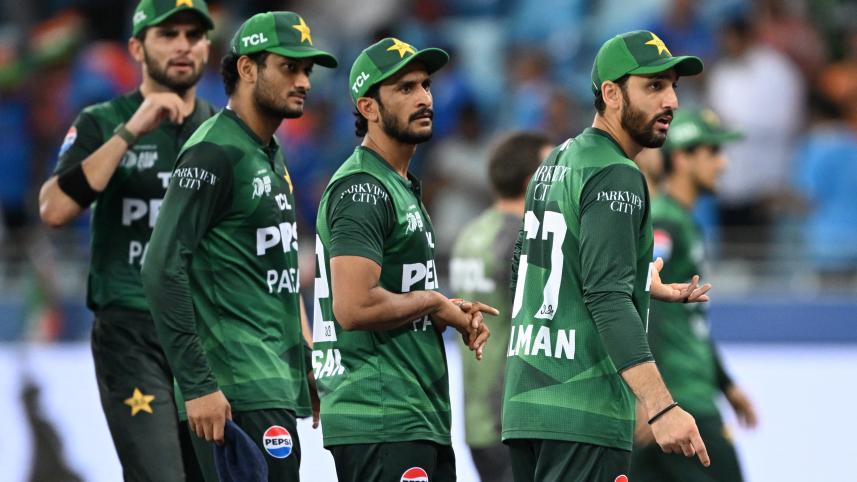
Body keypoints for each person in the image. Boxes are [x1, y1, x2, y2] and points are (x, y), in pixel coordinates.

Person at [502, 30, 713, 482]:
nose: (672, 100)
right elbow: (607, 298)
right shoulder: (616, 173)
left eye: (674, 85)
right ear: (612, 94)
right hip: (584, 411)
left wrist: (635, 279)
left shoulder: (554, 162)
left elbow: (524, 267)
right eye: (654, 86)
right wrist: (662, 408)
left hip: (526, 406)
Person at [140, 11, 337, 481]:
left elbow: (278, 271)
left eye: (307, 70)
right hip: (232, 390)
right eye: (289, 67)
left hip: (269, 380)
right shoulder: (215, 151)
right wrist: (197, 385)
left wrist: (304, 356)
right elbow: (160, 266)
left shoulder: (267, 152)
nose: (304, 81)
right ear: (247, 69)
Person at [37, 1, 216, 479]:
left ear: (208, 47)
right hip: (131, 332)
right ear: (137, 47)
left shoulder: (225, 131)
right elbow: (54, 208)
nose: (183, 45)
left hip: (208, 336)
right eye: (168, 34)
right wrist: (131, 130)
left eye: (194, 35)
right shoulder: (102, 120)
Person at [310, 37, 493, 482]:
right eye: (405, 88)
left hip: (410, 414)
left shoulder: (396, 184)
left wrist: (446, 310)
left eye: (426, 85)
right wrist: (432, 302)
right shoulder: (362, 189)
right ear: (368, 108)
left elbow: (397, 289)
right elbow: (354, 307)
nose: (424, 98)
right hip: (381, 414)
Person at [630, 108, 758, 481]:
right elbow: (640, 296)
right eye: (713, 152)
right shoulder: (666, 222)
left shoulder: (683, 221)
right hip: (680, 401)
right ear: (683, 158)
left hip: (677, 397)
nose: (723, 162)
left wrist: (727, 384)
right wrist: (649, 398)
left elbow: (690, 321)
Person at [449, 131, 553, 482]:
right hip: (516, 417)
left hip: (477, 414)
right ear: (532, 181)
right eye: (552, 169)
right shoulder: (524, 238)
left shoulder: (469, 234)